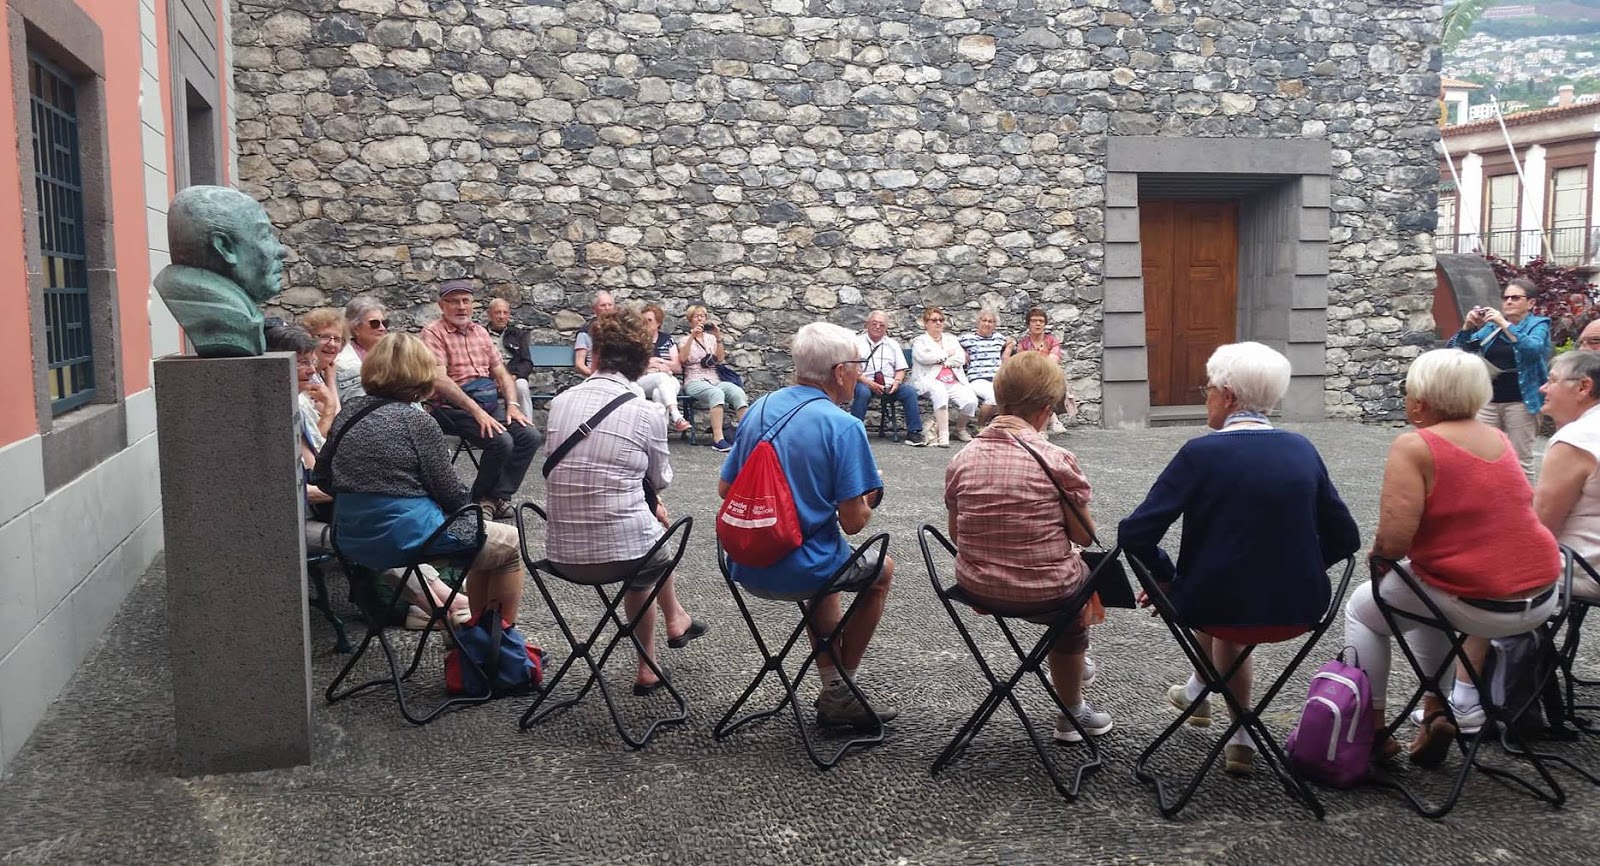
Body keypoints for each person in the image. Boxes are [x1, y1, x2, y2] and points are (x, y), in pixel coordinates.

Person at [1120, 342, 1360, 776]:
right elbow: (1346, 538)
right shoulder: (1302, 450)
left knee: (1222, 596)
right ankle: (1205, 699)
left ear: (1228, 396)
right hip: (1299, 608)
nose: (1206, 397)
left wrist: (1167, 579)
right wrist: (1297, 570)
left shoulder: (1201, 454)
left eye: (1208, 389)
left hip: (1213, 607)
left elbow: (1134, 533)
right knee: (1229, 585)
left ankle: (1237, 728)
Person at [1345, 348, 1560, 767]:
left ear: (1420, 399)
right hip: (1540, 596)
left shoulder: (1416, 445)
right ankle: (1436, 712)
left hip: (1481, 602)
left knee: (1364, 609)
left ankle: (1373, 732)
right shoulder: (1497, 438)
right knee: (1422, 592)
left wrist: (1381, 562)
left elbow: (1394, 541)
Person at [718, 322, 898, 728]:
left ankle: (835, 692)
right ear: (839, 372)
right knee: (881, 572)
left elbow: (725, 488)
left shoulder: (760, 408)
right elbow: (853, 523)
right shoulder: (844, 426)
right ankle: (843, 686)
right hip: (802, 571)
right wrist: (869, 496)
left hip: (746, 563)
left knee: (827, 572)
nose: (859, 372)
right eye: (857, 365)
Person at [944, 351, 1111, 742]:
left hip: (977, 586)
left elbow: (956, 534)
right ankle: (1072, 713)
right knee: (1079, 587)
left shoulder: (961, 459)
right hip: (1045, 593)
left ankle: (1076, 663)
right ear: (1044, 410)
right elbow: (1084, 536)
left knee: (1065, 581)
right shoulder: (1056, 459)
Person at [545, 308, 709, 694]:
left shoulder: (560, 402)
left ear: (597, 353)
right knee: (650, 545)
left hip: (561, 553)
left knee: (646, 523)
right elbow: (661, 479)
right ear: (640, 361)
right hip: (621, 556)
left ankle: (677, 619)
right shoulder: (646, 411)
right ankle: (648, 665)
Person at [310, 334, 519, 626]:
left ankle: (471, 629)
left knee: (480, 540)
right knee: (509, 544)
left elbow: (322, 478)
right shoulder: (417, 421)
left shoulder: (350, 413)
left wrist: (365, 491)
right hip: (404, 537)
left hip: (351, 537)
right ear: (421, 372)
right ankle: (494, 639)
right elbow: (450, 492)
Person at [420, 281, 544, 520]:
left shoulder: (480, 332)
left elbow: (501, 374)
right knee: (501, 441)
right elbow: (439, 379)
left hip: (487, 405)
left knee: (530, 436)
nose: (461, 307)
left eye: (465, 301)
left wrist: (513, 406)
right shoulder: (433, 333)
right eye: (454, 301)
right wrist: (477, 412)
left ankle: (493, 497)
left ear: (472, 304)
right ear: (442, 305)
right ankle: (477, 502)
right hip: (450, 408)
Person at [1446, 277, 1551, 479]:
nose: (1508, 302)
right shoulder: (1492, 327)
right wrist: (1468, 327)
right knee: (1482, 454)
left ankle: (1522, 499)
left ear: (1530, 303)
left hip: (1521, 402)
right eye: (1505, 298)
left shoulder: (1538, 324)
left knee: (1520, 460)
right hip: (1489, 400)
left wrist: (1504, 324)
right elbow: (1459, 350)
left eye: (1515, 298)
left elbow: (1532, 349)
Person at [1534, 349, 1600, 603]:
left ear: (1584, 387)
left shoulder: (1576, 440)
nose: (1542, 388)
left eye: (1551, 380)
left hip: (1580, 567)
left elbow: (1542, 526)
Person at [849, 309, 926, 447]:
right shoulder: (856, 343)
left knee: (909, 392)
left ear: (886, 328)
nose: (878, 327)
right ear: (867, 324)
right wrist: (870, 383)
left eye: (882, 325)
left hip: (889, 383)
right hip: (865, 382)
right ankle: (854, 432)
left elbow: (900, 369)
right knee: (862, 392)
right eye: (874, 323)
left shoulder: (893, 344)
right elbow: (852, 369)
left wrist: (897, 382)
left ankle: (914, 432)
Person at [680, 304, 749, 452]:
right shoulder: (685, 340)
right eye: (696, 316)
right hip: (694, 380)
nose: (700, 319)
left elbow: (720, 358)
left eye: (702, 316)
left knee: (737, 392)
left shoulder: (711, 339)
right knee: (716, 393)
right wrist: (692, 337)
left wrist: (718, 337)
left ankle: (747, 436)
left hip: (714, 379)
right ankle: (718, 439)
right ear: (690, 320)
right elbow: (682, 359)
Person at [910, 306, 979, 447]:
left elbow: (961, 358)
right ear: (926, 323)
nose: (938, 323)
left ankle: (960, 429)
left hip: (953, 379)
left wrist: (943, 361)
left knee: (971, 400)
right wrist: (947, 354)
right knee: (939, 392)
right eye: (934, 320)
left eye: (941, 320)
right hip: (929, 380)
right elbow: (924, 358)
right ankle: (943, 435)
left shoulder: (951, 339)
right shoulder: (920, 341)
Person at [1017, 306, 1073, 433]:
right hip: (1030, 379)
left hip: (1051, 377)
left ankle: (1043, 428)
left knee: (1044, 387)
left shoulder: (1052, 341)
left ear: (1045, 324)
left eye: (1041, 321)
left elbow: (1053, 360)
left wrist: (1036, 365)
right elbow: (1022, 365)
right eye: (1034, 320)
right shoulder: (1023, 344)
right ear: (1028, 324)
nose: (1038, 324)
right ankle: (1052, 421)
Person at [638, 304, 693, 434]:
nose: (646, 323)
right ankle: (677, 416)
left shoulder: (667, 339)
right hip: (644, 379)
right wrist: (651, 364)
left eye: (649, 320)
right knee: (662, 378)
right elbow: (633, 365)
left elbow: (677, 367)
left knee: (659, 393)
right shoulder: (637, 340)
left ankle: (660, 433)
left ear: (658, 323)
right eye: (643, 320)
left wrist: (659, 362)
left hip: (668, 378)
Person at [959, 308, 1014, 429]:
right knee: (993, 396)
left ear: (994, 325)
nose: (987, 324)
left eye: (990, 321)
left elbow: (1011, 341)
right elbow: (950, 343)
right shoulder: (967, 338)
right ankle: (980, 427)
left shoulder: (998, 338)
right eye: (984, 320)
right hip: (977, 379)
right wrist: (961, 351)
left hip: (997, 378)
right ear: (978, 322)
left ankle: (1004, 426)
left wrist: (1007, 351)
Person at [293, 311, 343, 440]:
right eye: (324, 337)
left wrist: (330, 378)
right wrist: (331, 380)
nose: (332, 344)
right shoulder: (305, 379)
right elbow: (335, 419)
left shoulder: (325, 373)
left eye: (337, 339)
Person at [485, 297, 535, 420]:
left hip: (513, 377)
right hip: (489, 378)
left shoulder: (517, 334)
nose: (502, 317)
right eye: (498, 312)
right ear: (489, 314)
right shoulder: (480, 334)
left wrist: (513, 377)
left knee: (522, 386)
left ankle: (527, 423)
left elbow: (526, 362)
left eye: (505, 313)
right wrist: (494, 379)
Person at [334, 296, 389, 401]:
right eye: (375, 323)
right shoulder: (342, 363)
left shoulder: (392, 356)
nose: (382, 328)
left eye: (384, 323)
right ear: (356, 328)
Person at [573, 291, 616, 377]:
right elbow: (579, 365)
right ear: (594, 309)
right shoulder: (585, 333)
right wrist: (597, 377)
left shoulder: (622, 330)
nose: (607, 308)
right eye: (603, 305)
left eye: (610, 305)